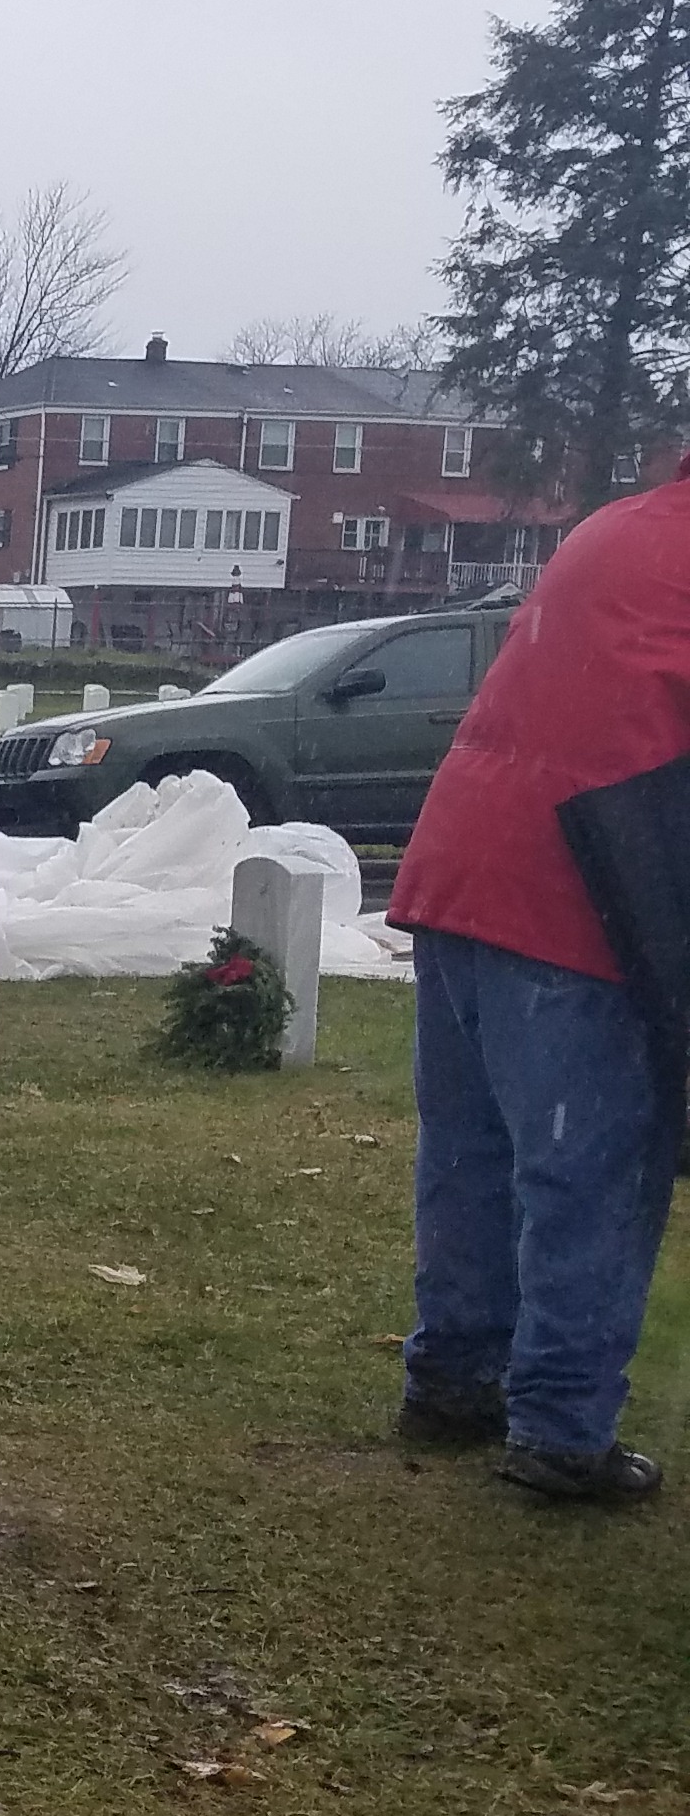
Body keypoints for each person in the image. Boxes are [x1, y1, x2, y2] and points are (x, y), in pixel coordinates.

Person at [387, 458, 690, 1501]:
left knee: (473, 1150)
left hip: (465, 867)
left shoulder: (625, 526)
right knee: (589, 1167)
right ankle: (563, 1429)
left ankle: (456, 1374)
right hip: (580, 893)